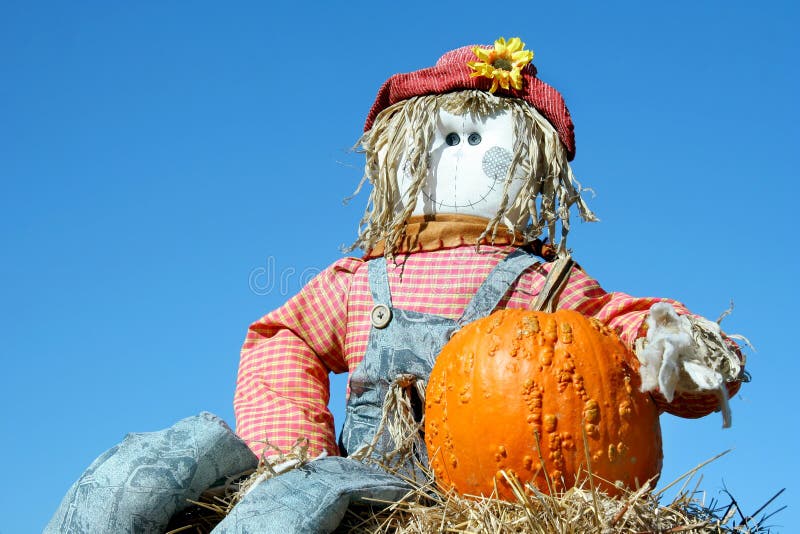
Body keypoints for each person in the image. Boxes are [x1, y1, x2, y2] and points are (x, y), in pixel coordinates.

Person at [47, 38, 744, 534]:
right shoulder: (362, 278)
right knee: (165, 460)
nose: (464, 157)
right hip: (346, 467)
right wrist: (290, 449)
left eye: (483, 139)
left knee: (290, 511)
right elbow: (283, 335)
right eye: (446, 139)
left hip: (440, 496)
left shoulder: (547, 283)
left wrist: (674, 346)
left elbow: (615, 335)